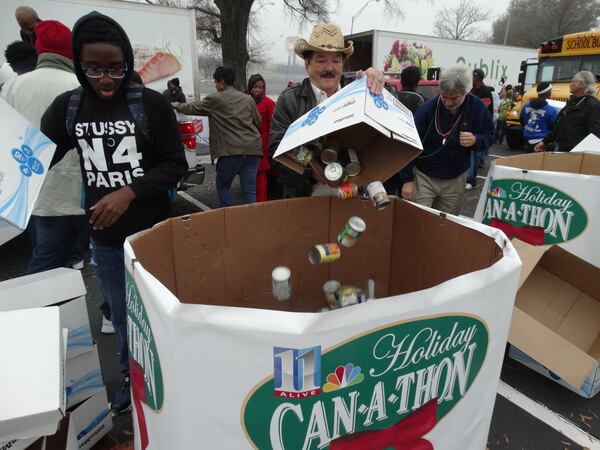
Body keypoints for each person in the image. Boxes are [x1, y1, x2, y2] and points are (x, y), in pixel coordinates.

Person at [41, 11, 187, 414]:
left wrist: (128, 191)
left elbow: (175, 164)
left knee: (166, 312)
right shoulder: (68, 108)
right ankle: (133, 379)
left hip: (155, 234)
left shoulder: (151, 105)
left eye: (115, 68)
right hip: (105, 241)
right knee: (124, 319)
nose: (106, 78)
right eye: (94, 68)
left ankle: (175, 377)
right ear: (78, 64)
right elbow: (36, 156)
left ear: (127, 62)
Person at [1, 20, 89, 275]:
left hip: (37, 189)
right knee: (100, 255)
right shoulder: (78, 83)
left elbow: (5, 136)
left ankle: (41, 310)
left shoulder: (12, 86)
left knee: (45, 256)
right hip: (83, 189)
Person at [268, 23, 386, 199]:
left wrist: (377, 78)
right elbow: (275, 152)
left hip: (351, 195)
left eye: (336, 61)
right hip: (302, 196)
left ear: (343, 64)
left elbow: (390, 114)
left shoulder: (359, 92)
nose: (329, 68)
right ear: (307, 64)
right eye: (321, 60)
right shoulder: (289, 100)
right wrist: (311, 172)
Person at [400, 65, 494, 215]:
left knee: (447, 223)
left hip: (455, 179)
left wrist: (476, 140)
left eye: (455, 98)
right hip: (424, 176)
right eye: (444, 96)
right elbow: (409, 143)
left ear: (466, 92)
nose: (448, 102)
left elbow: (489, 135)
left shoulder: (476, 107)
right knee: (416, 218)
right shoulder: (427, 109)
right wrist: (407, 179)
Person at [173, 66, 262, 207]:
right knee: (249, 191)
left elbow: (193, 108)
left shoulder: (215, 99)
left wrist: (177, 104)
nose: (215, 85)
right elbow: (258, 121)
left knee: (223, 186)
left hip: (230, 151)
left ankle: (227, 220)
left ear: (221, 82)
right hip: (253, 150)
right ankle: (252, 221)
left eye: (216, 82)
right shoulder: (248, 99)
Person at [384, 65, 425, 195]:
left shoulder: (391, 99)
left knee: (387, 194)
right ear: (418, 82)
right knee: (406, 196)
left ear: (401, 80)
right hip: (409, 155)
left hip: (388, 153)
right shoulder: (423, 103)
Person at [535, 71, 600, 152]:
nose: (570, 84)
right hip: (561, 148)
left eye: (573, 81)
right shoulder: (572, 102)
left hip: (577, 152)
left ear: (582, 85)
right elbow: (559, 126)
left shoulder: (593, 104)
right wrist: (545, 141)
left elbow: (594, 133)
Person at [248, 73, 275, 203]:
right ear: (250, 88)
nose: (258, 90)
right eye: (255, 87)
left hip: (262, 142)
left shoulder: (269, 103)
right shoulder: (247, 101)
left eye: (260, 87)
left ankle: (261, 201)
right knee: (250, 173)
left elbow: (273, 125)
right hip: (247, 141)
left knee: (260, 173)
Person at [466, 68, 494, 189]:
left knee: (474, 153)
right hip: (468, 125)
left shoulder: (485, 91)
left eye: (473, 75)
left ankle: (472, 180)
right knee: (468, 153)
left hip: (479, 127)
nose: (471, 77)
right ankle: (466, 177)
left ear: (477, 78)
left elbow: (483, 110)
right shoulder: (471, 89)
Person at [520, 82, 557, 152]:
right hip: (541, 142)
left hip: (526, 140)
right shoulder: (551, 110)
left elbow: (522, 121)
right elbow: (552, 127)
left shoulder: (525, 106)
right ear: (548, 93)